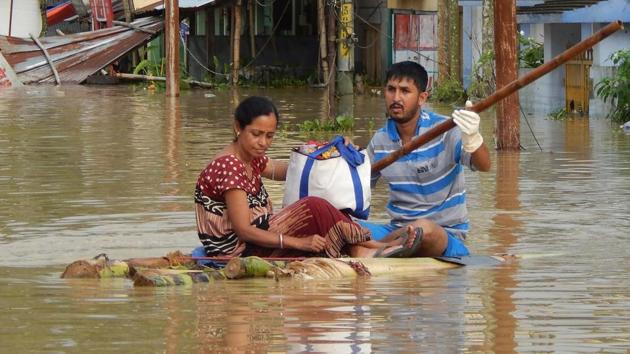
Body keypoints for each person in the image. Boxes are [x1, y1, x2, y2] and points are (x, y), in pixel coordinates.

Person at [194, 96, 417, 258]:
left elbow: (291, 171)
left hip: (258, 234)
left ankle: (365, 245)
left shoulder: (250, 157)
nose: (263, 142)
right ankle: (372, 244)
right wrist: (300, 243)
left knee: (327, 201)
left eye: (270, 136)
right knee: (313, 206)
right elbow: (243, 230)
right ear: (237, 128)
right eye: (256, 134)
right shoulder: (229, 165)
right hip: (239, 250)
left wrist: (330, 153)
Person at [358, 61, 492, 258]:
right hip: (397, 230)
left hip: (443, 235)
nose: (396, 98)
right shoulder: (380, 140)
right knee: (345, 226)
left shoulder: (445, 130)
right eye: (391, 90)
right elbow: (358, 189)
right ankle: (387, 248)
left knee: (423, 229)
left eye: (405, 91)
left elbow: (485, 165)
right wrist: (347, 158)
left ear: (422, 98)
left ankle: (376, 249)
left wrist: (473, 138)